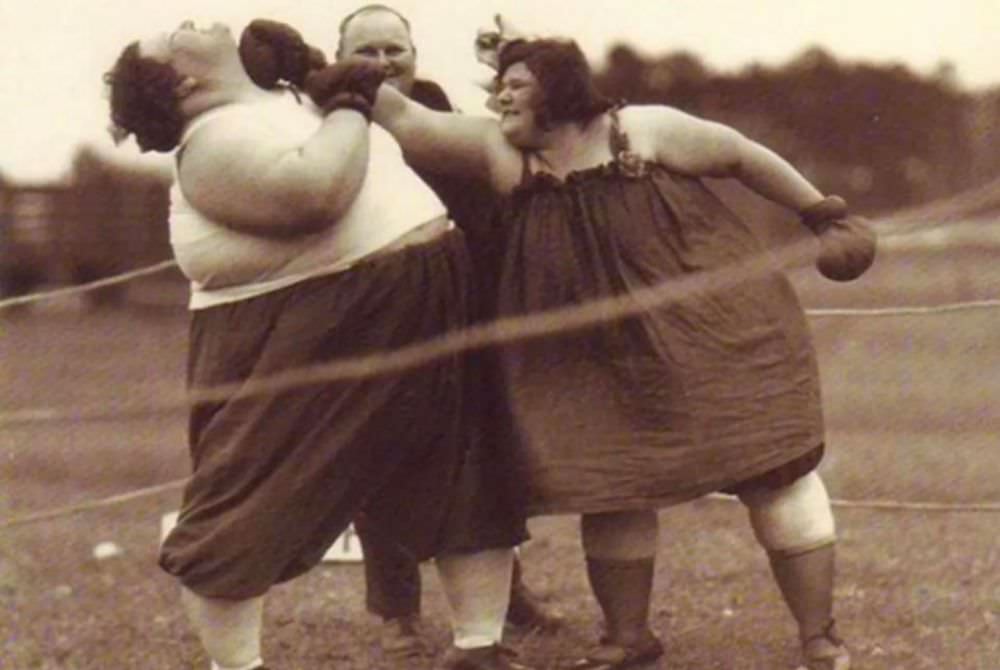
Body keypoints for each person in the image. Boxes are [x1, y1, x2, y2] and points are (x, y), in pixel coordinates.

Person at [320, 23, 876, 670]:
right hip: (594, 359)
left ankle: (820, 638)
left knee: (775, 474)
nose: (498, 101)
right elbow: (408, 121)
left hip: (709, 330)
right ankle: (628, 639)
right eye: (499, 88)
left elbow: (742, 156)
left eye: (515, 88)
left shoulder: (643, 130)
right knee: (613, 484)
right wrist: (312, 68)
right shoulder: (502, 152)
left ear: (557, 94)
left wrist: (823, 212)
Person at [105, 19, 531, 670]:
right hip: (313, 326)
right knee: (252, 500)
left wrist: (327, 82)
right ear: (184, 80)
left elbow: (418, 131)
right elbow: (316, 192)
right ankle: (237, 666)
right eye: (170, 36)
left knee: (463, 469)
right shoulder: (210, 144)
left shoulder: (287, 96)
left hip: (425, 295)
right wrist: (348, 103)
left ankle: (479, 647)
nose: (190, 21)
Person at [332, 4, 564, 660]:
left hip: (469, 301)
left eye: (394, 49)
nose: (383, 63)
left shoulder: (432, 103)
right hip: (377, 314)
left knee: (488, 454)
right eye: (367, 50)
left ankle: (507, 595)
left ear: (414, 52)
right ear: (339, 55)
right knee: (382, 457)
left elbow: (498, 165)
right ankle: (395, 610)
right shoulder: (330, 120)